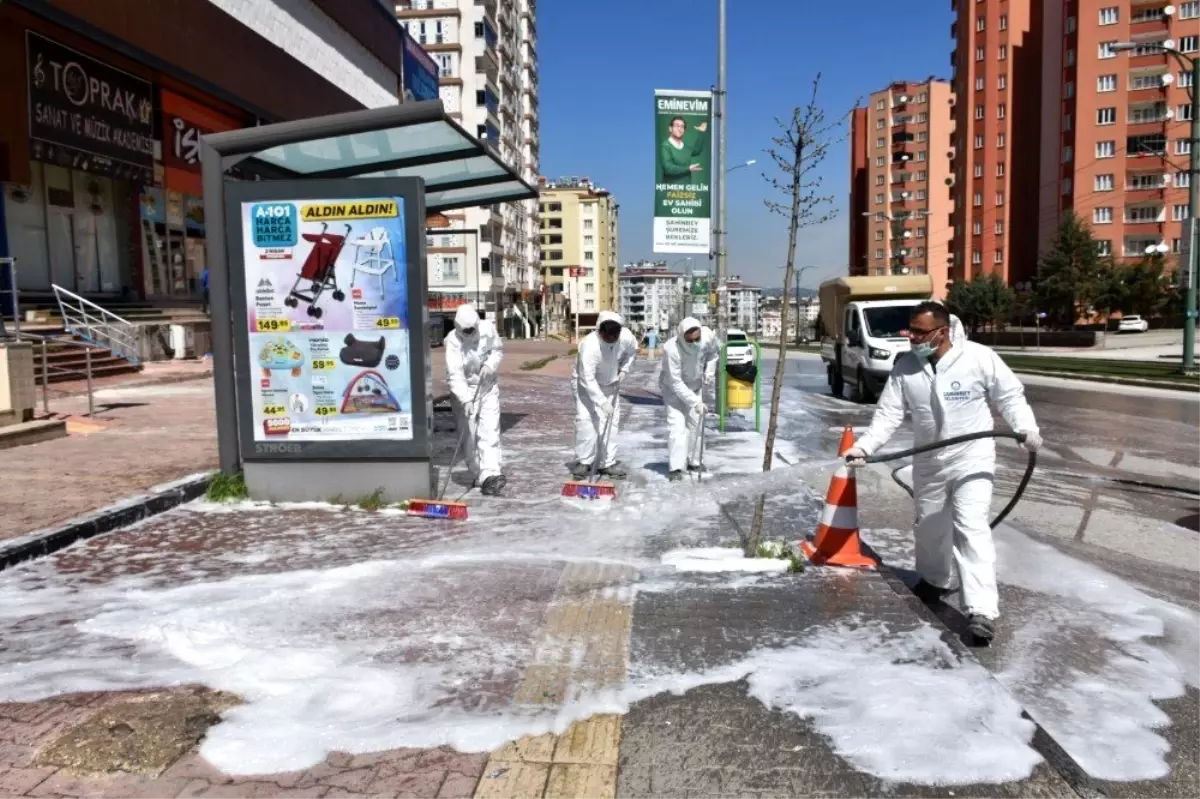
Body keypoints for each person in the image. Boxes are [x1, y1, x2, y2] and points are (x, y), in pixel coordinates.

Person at [843, 301, 1042, 643]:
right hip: (930, 463)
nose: (912, 338)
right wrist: (865, 447)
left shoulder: (978, 358)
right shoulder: (906, 367)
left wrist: (1025, 427)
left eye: (920, 332)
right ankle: (934, 580)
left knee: (970, 527)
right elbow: (889, 415)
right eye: (911, 331)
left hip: (972, 458)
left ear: (942, 332)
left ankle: (981, 611)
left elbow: (1010, 395)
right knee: (930, 528)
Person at [445, 304, 506, 496]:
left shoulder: (487, 329)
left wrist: (490, 365)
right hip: (465, 391)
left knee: (489, 432)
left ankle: (491, 475)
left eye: (472, 329)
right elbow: (454, 374)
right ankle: (479, 473)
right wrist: (465, 399)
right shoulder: (452, 342)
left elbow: (497, 350)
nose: (470, 333)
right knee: (469, 436)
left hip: (487, 387)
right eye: (466, 330)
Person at [572, 310, 637, 479]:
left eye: (614, 336)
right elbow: (588, 379)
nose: (610, 339)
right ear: (599, 331)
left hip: (611, 384)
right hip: (586, 387)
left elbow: (632, 353)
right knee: (586, 422)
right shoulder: (589, 346)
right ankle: (584, 462)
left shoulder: (626, 338)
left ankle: (607, 463)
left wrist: (624, 369)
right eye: (607, 336)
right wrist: (601, 402)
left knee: (610, 424)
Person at [660, 317, 718, 482]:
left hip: (695, 386)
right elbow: (676, 383)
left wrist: (709, 372)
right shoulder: (672, 349)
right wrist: (696, 402)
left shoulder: (707, 337)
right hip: (673, 391)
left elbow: (714, 354)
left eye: (696, 339)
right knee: (677, 427)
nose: (693, 343)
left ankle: (694, 461)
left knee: (696, 424)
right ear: (681, 336)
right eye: (689, 340)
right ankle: (676, 468)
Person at [659, 116, 709, 186]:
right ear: (670, 128)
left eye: (682, 127)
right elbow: (668, 168)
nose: (680, 129)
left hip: (686, 192)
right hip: (669, 192)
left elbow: (697, 150)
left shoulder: (685, 148)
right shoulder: (665, 146)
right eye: (677, 126)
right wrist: (688, 168)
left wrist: (701, 132)